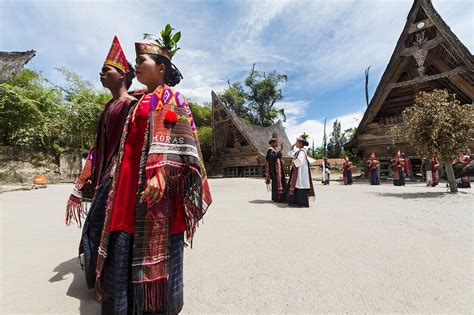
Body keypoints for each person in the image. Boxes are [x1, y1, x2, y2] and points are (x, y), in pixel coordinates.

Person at [94, 26, 212, 314]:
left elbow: (181, 140)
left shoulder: (173, 98)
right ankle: (124, 303)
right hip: (126, 185)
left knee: (154, 239)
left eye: (142, 62)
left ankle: (157, 305)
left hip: (156, 185)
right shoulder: (136, 102)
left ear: (161, 68)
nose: (137, 66)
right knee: (124, 233)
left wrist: (162, 173)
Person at [65, 36, 137, 289]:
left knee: (102, 226)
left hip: (120, 177)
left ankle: (112, 279)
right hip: (106, 175)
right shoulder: (109, 107)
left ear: (122, 75)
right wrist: (85, 177)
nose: (101, 73)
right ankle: (105, 277)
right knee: (98, 226)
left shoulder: (131, 106)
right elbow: (98, 148)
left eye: (106, 70)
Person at [287, 134, 315, 207]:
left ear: (300, 143)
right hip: (299, 173)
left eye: (296, 142)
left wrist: (293, 162)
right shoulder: (299, 151)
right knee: (298, 186)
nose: (295, 143)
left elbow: (299, 161)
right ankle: (297, 202)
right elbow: (291, 154)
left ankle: (301, 203)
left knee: (300, 185)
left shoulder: (302, 152)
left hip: (301, 173)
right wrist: (292, 148)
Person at [265, 133, 287, 202]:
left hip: (277, 171)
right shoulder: (270, 150)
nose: (277, 144)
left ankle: (280, 197)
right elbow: (274, 158)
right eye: (276, 142)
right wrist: (281, 150)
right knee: (277, 184)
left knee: (280, 183)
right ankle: (278, 198)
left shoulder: (273, 150)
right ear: (272, 143)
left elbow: (276, 158)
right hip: (275, 172)